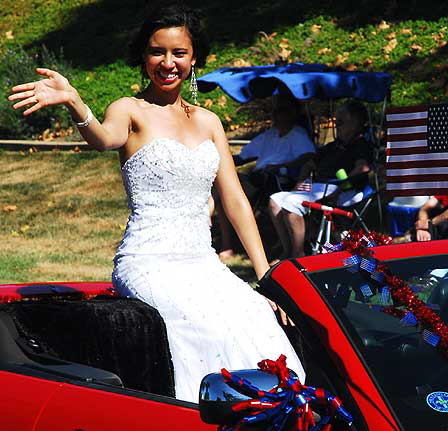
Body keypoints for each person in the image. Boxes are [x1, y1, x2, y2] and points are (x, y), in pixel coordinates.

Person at [8, 2, 305, 402]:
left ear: (194, 57)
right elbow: (102, 138)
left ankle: (269, 424)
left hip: (203, 263)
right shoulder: (129, 110)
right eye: (157, 52)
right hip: (148, 262)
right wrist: (76, 103)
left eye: (178, 53)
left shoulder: (208, 121)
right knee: (197, 324)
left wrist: (265, 272)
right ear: (143, 56)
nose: (167, 63)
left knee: (255, 316)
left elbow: (233, 198)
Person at [216, 95, 316, 260]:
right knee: (223, 188)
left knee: (230, 189)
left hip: (278, 180)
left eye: (282, 111)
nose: (277, 115)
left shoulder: (297, 134)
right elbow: (243, 156)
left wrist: (283, 165)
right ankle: (227, 244)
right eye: (276, 111)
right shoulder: (269, 135)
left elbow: (309, 156)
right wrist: (220, 161)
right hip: (258, 178)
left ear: (292, 114)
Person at [269, 101, 372, 257]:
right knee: (275, 200)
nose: (337, 126)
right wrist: (301, 182)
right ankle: (287, 249)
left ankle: (298, 253)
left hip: (340, 188)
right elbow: (309, 165)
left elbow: (362, 168)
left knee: (291, 202)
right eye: (337, 122)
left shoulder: (361, 145)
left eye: (341, 122)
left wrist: (341, 186)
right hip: (318, 187)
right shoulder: (332, 146)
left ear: (355, 122)